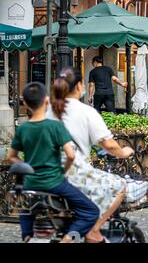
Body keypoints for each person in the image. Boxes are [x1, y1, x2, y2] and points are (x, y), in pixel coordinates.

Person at [48, 67, 139, 243]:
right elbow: (109, 145)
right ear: (80, 86)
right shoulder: (86, 112)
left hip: (45, 170)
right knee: (120, 186)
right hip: (71, 172)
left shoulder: (49, 110)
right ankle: (93, 229)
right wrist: (124, 152)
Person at [8, 82, 100, 243]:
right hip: (54, 182)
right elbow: (70, 155)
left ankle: (27, 237)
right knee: (91, 211)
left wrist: (28, 167)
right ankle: (67, 239)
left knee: (27, 210)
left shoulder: (22, 129)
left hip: (30, 183)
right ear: (46, 101)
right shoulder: (55, 126)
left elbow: (12, 157)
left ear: (25, 104)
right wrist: (62, 171)